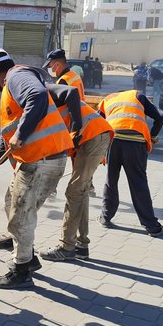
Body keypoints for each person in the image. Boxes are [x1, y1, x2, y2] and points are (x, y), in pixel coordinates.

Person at [0, 48, 74, 289]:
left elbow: (37, 96)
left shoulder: (16, 76)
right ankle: (27, 256)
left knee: (21, 215)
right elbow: (7, 137)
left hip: (41, 159)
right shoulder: (11, 87)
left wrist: (21, 134)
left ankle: (21, 270)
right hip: (39, 159)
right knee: (12, 203)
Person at [42, 95, 114, 262]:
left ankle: (67, 247)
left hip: (92, 136)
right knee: (80, 191)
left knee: (74, 192)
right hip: (90, 137)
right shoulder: (43, 103)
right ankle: (81, 245)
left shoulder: (43, 99)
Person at [98, 89, 163, 236]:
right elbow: (161, 117)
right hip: (135, 143)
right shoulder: (137, 95)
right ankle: (151, 226)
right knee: (138, 182)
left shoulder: (108, 98)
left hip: (113, 141)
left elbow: (97, 123)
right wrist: (152, 136)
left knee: (111, 180)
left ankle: (105, 217)